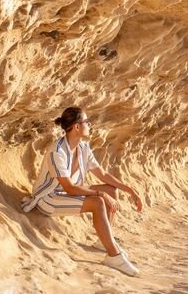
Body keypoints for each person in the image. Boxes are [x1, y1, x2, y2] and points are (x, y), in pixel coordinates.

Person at [21, 107, 143, 276]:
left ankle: (103, 241)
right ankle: (114, 256)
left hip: (67, 193)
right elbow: (69, 187)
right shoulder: (57, 151)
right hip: (49, 198)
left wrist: (130, 191)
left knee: (111, 190)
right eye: (87, 122)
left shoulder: (83, 147)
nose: (89, 125)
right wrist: (100, 194)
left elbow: (103, 174)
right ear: (77, 126)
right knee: (99, 201)